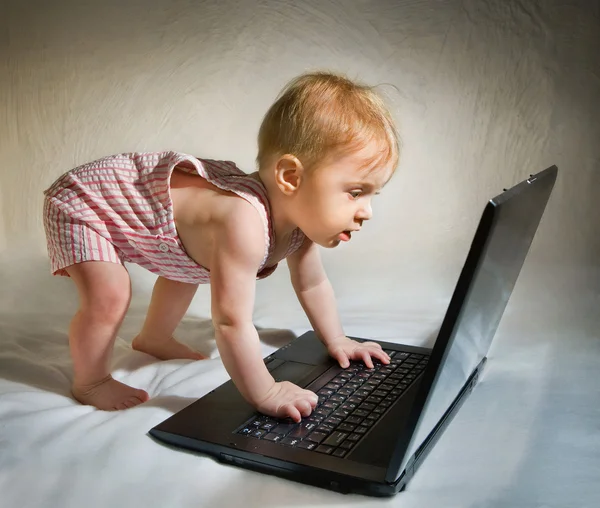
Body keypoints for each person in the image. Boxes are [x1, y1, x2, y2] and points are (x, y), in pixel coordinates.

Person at [42, 71, 400, 421]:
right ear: (291, 177)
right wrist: (267, 391)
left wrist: (337, 339)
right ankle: (91, 381)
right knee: (110, 295)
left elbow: (312, 284)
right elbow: (231, 322)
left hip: (162, 223)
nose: (366, 212)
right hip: (87, 200)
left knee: (192, 261)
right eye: (355, 193)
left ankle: (152, 337)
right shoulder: (242, 222)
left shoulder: (299, 226)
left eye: (372, 196)